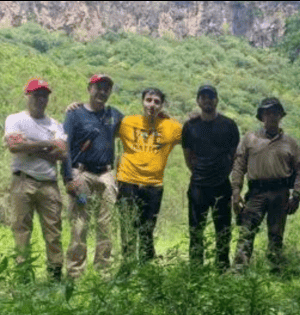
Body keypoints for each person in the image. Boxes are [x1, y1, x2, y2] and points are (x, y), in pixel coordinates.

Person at [4, 78, 70, 281]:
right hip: (23, 180)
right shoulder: (15, 120)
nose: (41, 99)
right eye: (36, 95)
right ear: (28, 96)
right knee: (21, 229)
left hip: (49, 183)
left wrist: (29, 145)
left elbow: (62, 153)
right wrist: (46, 144)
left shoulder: (55, 125)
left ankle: (55, 274)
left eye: (44, 95)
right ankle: (23, 275)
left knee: (53, 231)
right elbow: (14, 146)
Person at [231, 97, 300, 271]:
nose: (272, 116)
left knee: (276, 234)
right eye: (268, 113)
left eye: (275, 113)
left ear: (281, 116)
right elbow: (239, 165)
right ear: (262, 116)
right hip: (256, 192)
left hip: (280, 192)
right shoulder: (250, 139)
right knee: (247, 231)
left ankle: (275, 268)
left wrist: (296, 195)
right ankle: (239, 269)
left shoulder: (290, 142)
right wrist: (236, 191)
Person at [64, 74, 124, 278]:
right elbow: (65, 146)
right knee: (80, 223)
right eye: (98, 87)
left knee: (106, 224)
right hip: (81, 174)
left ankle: (104, 272)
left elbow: (135, 126)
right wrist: (68, 177)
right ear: (89, 88)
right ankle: (75, 273)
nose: (102, 92)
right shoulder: (75, 114)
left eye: (106, 88)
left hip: (106, 174)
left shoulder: (114, 114)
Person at [116, 87, 182, 262]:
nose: (152, 105)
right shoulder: (127, 122)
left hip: (153, 185)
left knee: (147, 229)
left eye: (156, 102)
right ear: (143, 102)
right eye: (148, 100)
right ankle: (128, 266)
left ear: (162, 105)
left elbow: (194, 133)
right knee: (127, 227)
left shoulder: (171, 126)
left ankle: (145, 267)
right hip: (127, 181)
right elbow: (101, 126)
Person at [182, 85, 241, 269]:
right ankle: (196, 269)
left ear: (217, 100)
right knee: (195, 230)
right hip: (198, 186)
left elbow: (235, 156)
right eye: (203, 97)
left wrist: (223, 173)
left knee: (223, 231)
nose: (207, 100)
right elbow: (187, 156)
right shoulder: (190, 126)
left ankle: (222, 268)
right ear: (198, 101)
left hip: (221, 185)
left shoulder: (229, 125)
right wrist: (200, 172)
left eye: (211, 97)